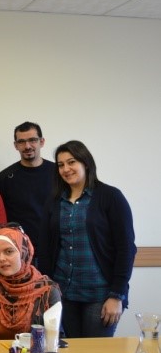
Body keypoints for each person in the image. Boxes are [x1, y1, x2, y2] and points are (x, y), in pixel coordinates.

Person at [38, 140, 136, 338]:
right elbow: (45, 248)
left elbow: (126, 249)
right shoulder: (54, 201)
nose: (66, 169)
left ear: (86, 163)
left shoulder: (111, 196)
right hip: (64, 295)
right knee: (69, 351)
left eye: (71, 162)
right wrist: (47, 289)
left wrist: (117, 295)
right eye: (60, 165)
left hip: (101, 296)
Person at [0, 122, 55, 250]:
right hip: (18, 249)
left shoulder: (58, 173)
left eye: (32, 140)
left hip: (54, 247)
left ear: (42, 142)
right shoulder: (5, 177)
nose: (27, 146)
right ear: (16, 145)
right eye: (21, 142)